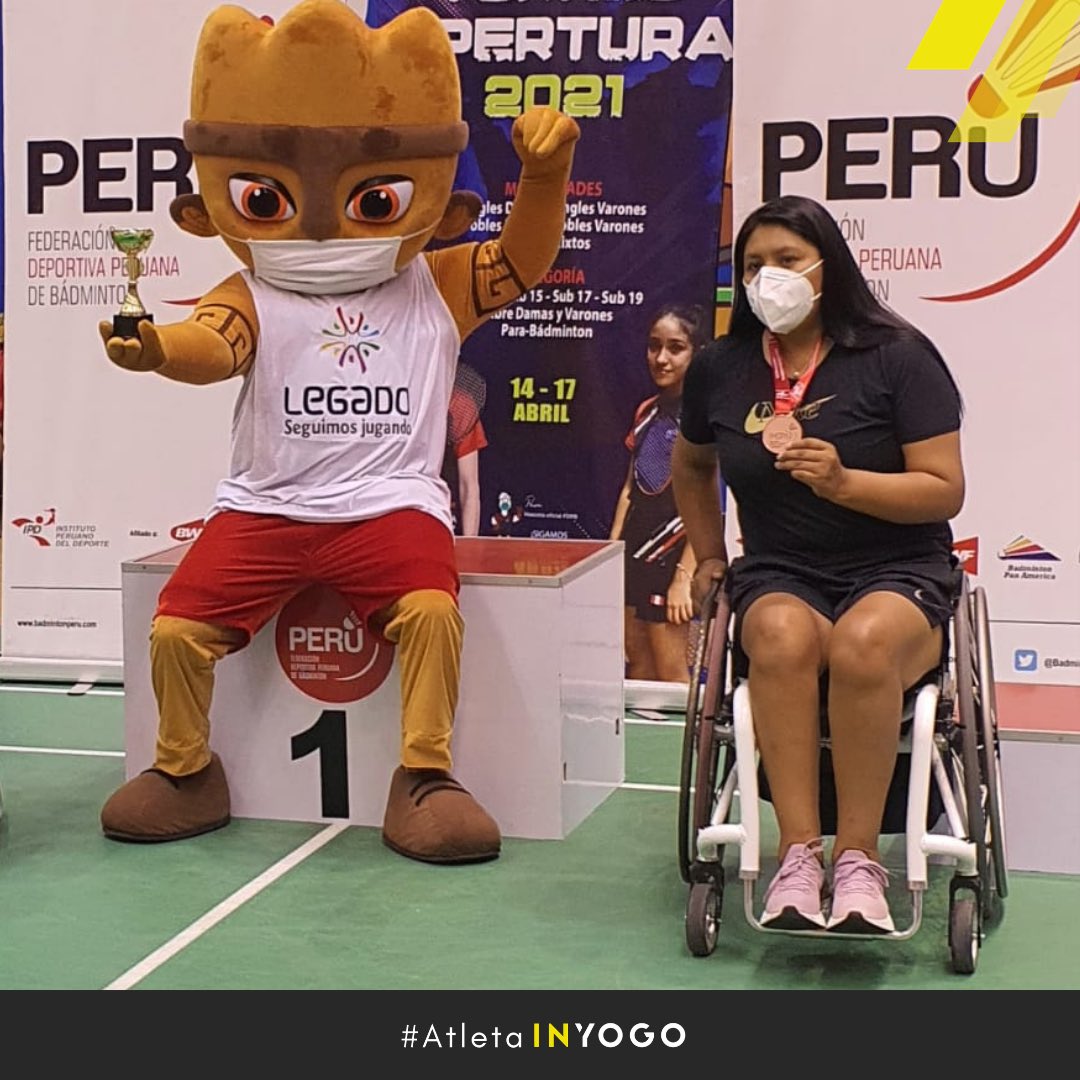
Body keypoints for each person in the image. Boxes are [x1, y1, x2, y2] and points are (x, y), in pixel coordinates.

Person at [94, 1, 579, 866]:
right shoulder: (254, 291)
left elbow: (524, 260)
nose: (322, 226)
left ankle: (425, 776)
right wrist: (158, 348)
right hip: (267, 506)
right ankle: (186, 771)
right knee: (175, 630)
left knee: (431, 612)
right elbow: (214, 345)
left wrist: (545, 178)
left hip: (389, 506)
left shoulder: (439, 279)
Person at [672, 194, 964, 934]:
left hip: (899, 568)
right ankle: (798, 856)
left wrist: (844, 483)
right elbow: (691, 462)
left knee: (861, 643)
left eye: (787, 261)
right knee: (776, 637)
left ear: (827, 267)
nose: (768, 278)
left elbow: (943, 489)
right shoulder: (721, 368)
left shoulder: (897, 356)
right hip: (783, 569)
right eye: (752, 265)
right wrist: (709, 556)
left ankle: (859, 860)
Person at [610, 304, 710, 683]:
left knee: (672, 677)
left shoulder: (706, 417)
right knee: (636, 671)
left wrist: (684, 577)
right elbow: (629, 489)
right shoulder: (646, 411)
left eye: (675, 347)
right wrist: (611, 557)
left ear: (697, 352)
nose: (661, 358)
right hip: (634, 557)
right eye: (654, 346)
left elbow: (712, 503)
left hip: (675, 561)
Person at [442, 361, 488, 537]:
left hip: (442, 512)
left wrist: (470, 545)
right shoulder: (398, 401)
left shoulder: (460, 405)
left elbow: (469, 485)